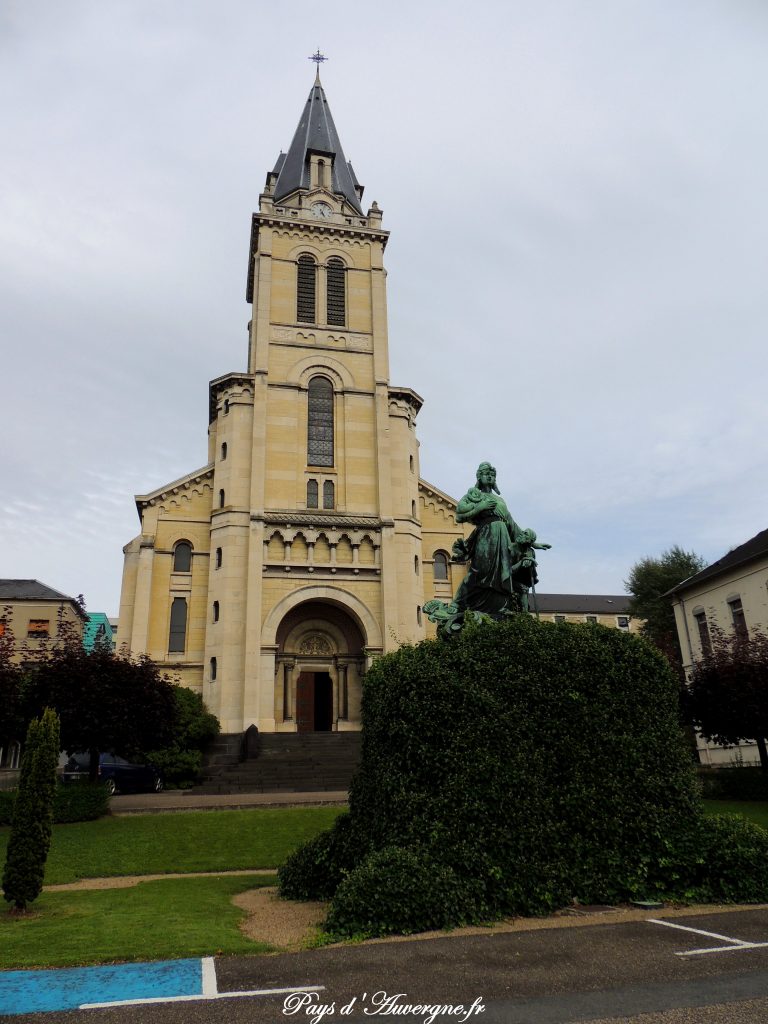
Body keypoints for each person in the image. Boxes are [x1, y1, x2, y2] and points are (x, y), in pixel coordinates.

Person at [452, 462, 551, 616]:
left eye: (493, 475)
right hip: (485, 535)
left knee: (501, 573)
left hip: (502, 537)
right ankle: (458, 603)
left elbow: (511, 524)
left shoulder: (500, 500)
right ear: (479, 476)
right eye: (487, 474)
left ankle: (499, 608)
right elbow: (459, 516)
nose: (490, 477)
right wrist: (480, 507)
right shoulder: (472, 496)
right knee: (479, 571)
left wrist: (534, 543)